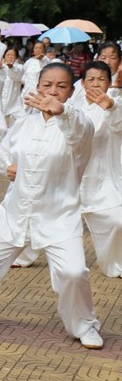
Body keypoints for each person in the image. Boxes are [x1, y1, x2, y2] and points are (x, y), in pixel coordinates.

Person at [0, 63, 101, 349]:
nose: (52, 91)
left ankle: (84, 324)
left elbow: (78, 131)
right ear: (37, 86)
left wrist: (63, 111)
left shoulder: (79, 124)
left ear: (71, 91)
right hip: (15, 212)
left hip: (59, 215)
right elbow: (1, 157)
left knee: (74, 273)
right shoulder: (23, 123)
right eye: (47, 84)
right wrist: (7, 167)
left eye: (61, 86)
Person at [76, 61, 122, 277]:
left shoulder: (115, 104)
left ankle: (114, 265)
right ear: (82, 82)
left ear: (109, 82)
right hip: (71, 179)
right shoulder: (72, 106)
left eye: (101, 79)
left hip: (103, 179)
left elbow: (118, 123)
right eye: (91, 79)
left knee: (117, 221)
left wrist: (111, 106)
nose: (95, 84)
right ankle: (22, 256)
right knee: (37, 214)